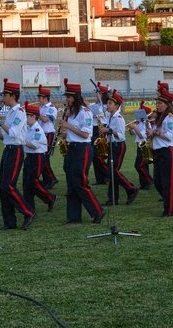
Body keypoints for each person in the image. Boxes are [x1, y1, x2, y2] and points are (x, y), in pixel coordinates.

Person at [0, 79, 35, 230]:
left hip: (16, 151)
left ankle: (28, 212)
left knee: (8, 185)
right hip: (8, 150)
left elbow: (14, 133)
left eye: (5, 95)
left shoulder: (20, 112)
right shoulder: (10, 112)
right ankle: (9, 222)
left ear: (12, 96)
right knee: (4, 187)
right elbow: (6, 136)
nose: (3, 97)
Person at [59, 79, 105, 224]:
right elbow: (73, 133)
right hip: (72, 148)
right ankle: (73, 216)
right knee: (71, 182)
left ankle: (97, 211)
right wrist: (64, 133)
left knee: (80, 182)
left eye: (69, 97)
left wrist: (68, 125)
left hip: (83, 149)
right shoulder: (72, 112)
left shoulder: (85, 112)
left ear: (76, 97)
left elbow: (85, 134)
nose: (67, 99)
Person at [98, 90, 138, 206]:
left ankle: (131, 188)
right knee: (111, 173)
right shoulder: (110, 116)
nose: (108, 105)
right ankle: (113, 198)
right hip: (112, 145)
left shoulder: (119, 118)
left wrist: (108, 130)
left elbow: (121, 135)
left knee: (113, 171)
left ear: (116, 106)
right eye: (108, 103)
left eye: (110, 103)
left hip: (118, 146)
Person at [150, 89, 173, 217]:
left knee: (167, 182)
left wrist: (155, 133)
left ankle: (169, 210)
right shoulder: (159, 118)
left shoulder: (170, 118)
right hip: (159, 151)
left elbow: (170, 136)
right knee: (158, 182)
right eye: (157, 103)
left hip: (167, 151)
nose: (157, 105)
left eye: (160, 103)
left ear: (166, 104)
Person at [21, 102, 56, 213]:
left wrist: (23, 142)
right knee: (26, 183)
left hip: (37, 158)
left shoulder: (38, 130)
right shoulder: (28, 128)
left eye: (27, 115)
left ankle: (49, 198)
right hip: (29, 157)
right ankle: (29, 207)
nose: (25, 118)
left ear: (33, 116)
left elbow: (35, 145)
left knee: (32, 181)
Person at [126, 101, 154, 190]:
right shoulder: (139, 123)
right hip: (139, 146)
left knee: (139, 165)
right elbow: (132, 133)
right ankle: (144, 184)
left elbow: (142, 136)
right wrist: (130, 127)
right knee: (142, 166)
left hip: (144, 146)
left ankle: (149, 181)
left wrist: (134, 127)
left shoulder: (147, 123)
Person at [36, 86, 58, 190]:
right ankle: (47, 179)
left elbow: (45, 119)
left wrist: (36, 112)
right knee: (41, 157)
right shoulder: (41, 108)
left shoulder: (51, 108)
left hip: (48, 134)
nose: (38, 99)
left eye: (39, 97)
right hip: (41, 134)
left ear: (45, 97)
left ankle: (51, 178)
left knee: (45, 157)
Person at [90, 82, 111, 187]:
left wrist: (101, 113)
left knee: (99, 154)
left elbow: (107, 115)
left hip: (102, 127)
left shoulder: (107, 105)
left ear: (102, 94)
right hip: (93, 128)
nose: (96, 96)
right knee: (94, 156)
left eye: (98, 93)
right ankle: (100, 179)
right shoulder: (93, 105)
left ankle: (107, 175)